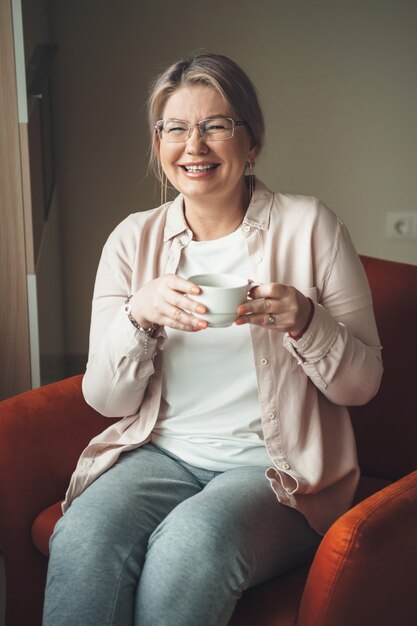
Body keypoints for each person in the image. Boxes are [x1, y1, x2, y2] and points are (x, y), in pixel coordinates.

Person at [43, 53, 383, 626]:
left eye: (216, 126)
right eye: (175, 128)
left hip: (276, 472)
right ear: (158, 145)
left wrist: (306, 319)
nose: (193, 145)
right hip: (163, 455)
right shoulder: (132, 240)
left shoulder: (310, 225)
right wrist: (139, 316)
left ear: (253, 143)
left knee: (189, 545)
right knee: (81, 536)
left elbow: (362, 386)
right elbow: (107, 401)